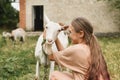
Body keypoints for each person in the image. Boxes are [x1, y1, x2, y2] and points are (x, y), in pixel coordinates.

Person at [46, 17, 110, 80]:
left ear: (81, 34)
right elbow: (66, 54)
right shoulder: (90, 47)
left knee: (55, 75)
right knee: (65, 73)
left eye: (70, 32)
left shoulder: (77, 49)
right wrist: (55, 34)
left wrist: (48, 42)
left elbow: (51, 57)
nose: (69, 35)